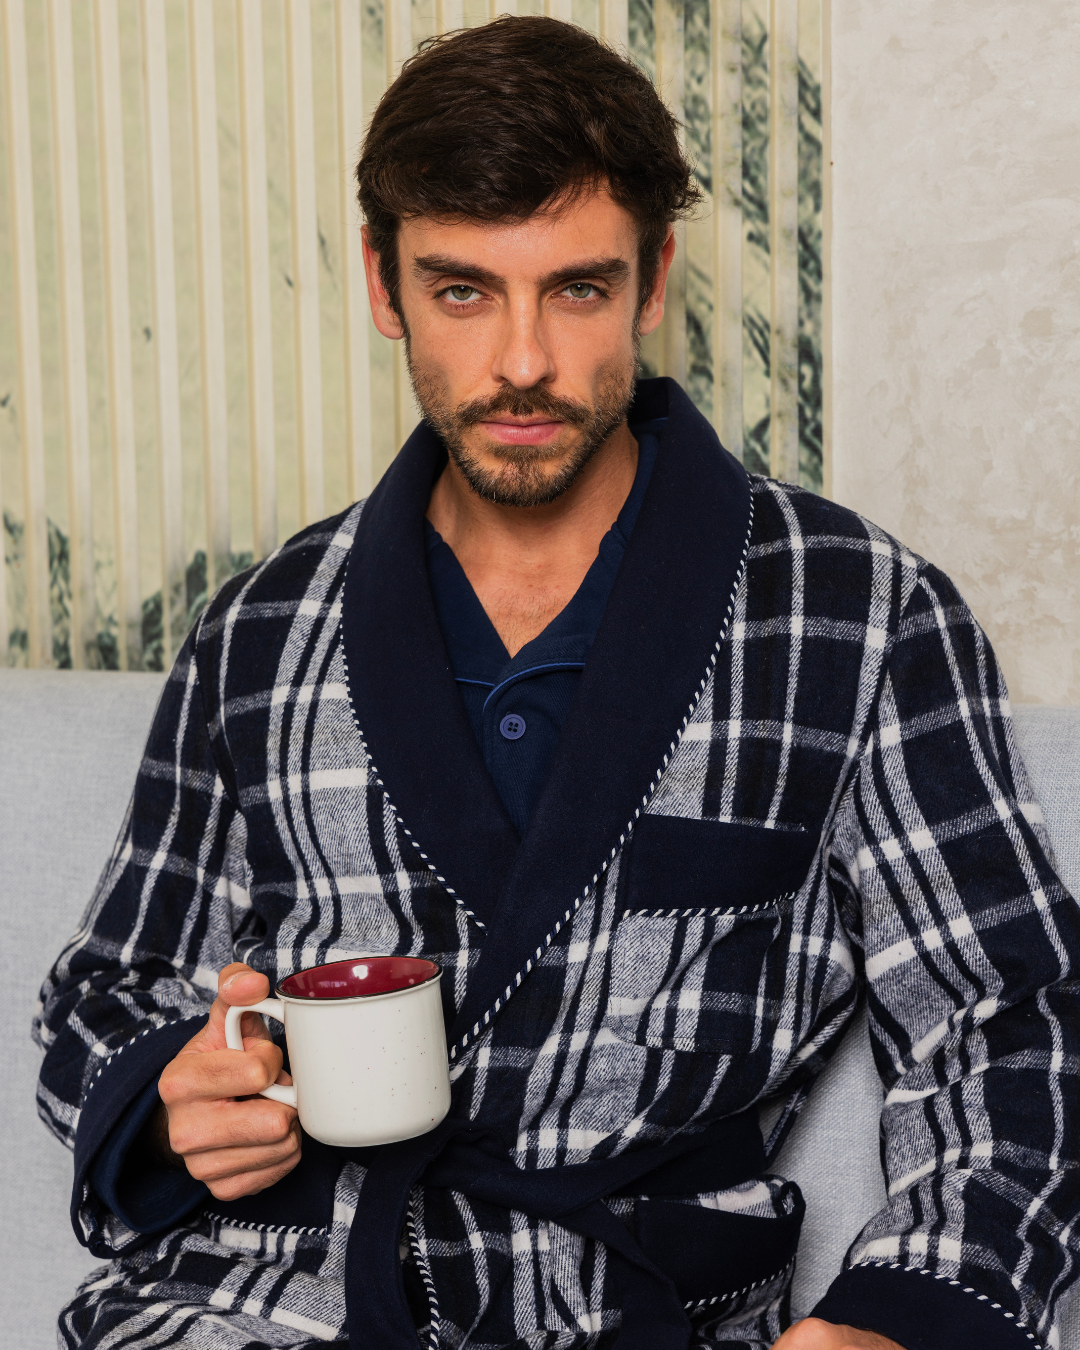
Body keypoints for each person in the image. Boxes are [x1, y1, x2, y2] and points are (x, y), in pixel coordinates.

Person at [35, 16, 1080, 1350]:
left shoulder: (859, 615)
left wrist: (897, 1311)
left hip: (635, 1309)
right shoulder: (261, 628)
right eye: (463, 290)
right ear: (384, 282)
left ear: (651, 281)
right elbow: (107, 989)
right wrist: (177, 1094)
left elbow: (1008, 1020)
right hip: (272, 1301)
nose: (522, 361)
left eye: (577, 289)